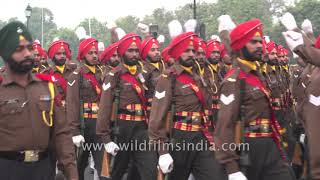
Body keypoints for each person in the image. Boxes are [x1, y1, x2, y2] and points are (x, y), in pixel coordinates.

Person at [214, 19, 295, 180]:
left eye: (260, 41)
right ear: (241, 46)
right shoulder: (234, 80)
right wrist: (232, 168)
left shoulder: (258, 75)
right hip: (248, 148)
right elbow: (225, 125)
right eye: (253, 42)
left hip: (270, 145)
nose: (260, 45)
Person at [0, 21, 78, 180]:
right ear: (6, 53)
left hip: (43, 169)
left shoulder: (47, 86)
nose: (28, 53)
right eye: (19, 49)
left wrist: (72, 173)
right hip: (7, 169)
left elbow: (61, 134)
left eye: (29, 48)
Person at [148, 32, 226, 180]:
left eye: (193, 51)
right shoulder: (168, 77)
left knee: (215, 175)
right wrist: (163, 151)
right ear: (178, 53)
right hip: (180, 139)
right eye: (186, 51)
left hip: (201, 136)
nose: (191, 54)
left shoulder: (198, 77)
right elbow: (157, 117)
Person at [96, 33, 158, 180]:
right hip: (122, 129)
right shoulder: (114, 75)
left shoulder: (144, 74)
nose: (134, 54)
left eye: (137, 51)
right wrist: (106, 139)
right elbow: (104, 108)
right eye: (130, 51)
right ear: (123, 52)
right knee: (117, 171)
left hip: (142, 128)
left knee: (150, 171)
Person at [66, 37, 104, 180]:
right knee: (78, 167)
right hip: (84, 124)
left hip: (100, 125)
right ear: (83, 55)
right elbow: (72, 104)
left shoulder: (103, 73)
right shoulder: (76, 76)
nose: (94, 55)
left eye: (96, 52)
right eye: (90, 53)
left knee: (103, 168)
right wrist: (74, 131)